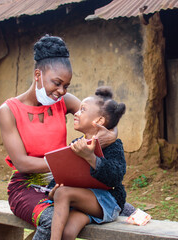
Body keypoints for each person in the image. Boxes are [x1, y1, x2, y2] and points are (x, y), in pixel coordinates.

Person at [0, 35, 117, 239]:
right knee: (54, 221)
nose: (61, 91)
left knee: (110, 205)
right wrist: (70, 159)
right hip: (26, 187)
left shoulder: (65, 101)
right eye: (57, 83)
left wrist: (110, 136)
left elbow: (104, 120)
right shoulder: (9, 110)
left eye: (67, 86)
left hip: (62, 185)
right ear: (38, 74)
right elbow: (23, 163)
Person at [47, 86, 127, 240]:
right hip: (83, 202)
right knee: (68, 232)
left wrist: (91, 158)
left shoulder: (114, 146)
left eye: (82, 110)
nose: (76, 113)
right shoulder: (77, 144)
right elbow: (63, 174)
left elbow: (116, 176)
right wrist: (53, 190)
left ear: (99, 121)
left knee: (64, 193)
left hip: (109, 201)